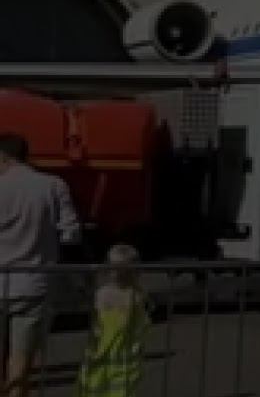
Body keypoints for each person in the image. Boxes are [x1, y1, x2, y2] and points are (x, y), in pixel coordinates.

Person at [0, 133, 80, 397]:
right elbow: (71, 234)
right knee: (21, 360)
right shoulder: (54, 185)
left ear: (3, 157)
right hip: (34, 283)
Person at [76, 244, 150, 397]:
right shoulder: (135, 295)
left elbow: (97, 323)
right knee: (108, 385)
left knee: (103, 385)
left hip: (115, 351)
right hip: (115, 351)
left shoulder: (133, 296)